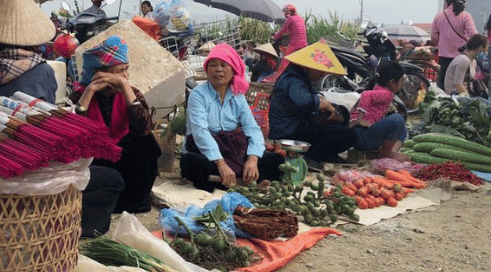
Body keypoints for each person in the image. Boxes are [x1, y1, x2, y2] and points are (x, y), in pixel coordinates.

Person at [0, 0, 123, 237]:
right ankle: (78, 233)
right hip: (26, 168)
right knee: (112, 180)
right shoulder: (42, 71)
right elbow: (45, 122)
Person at [69, 36, 161, 214]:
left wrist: (124, 87)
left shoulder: (132, 93)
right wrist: (89, 92)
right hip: (96, 159)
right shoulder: (79, 95)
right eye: (120, 71)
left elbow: (143, 128)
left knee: (147, 143)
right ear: (100, 73)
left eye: (127, 70)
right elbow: (72, 131)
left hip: (124, 158)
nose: (125, 76)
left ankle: (136, 203)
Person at [181, 44, 284, 192]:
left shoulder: (237, 96)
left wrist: (252, 160)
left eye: (224, 65)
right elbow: (200, 133)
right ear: (207, 70)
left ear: (233, 71)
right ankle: (245, 181)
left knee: (276, 161)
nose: (218, 70)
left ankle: (233, 180)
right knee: (191, 162)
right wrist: (221, 164)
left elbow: (252, 129)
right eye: (213, 65)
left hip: (232, 151)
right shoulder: (198, 95)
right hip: (206, 151)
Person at [268, 41, 357, 167]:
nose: (323, 74)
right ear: (307, 67)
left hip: (300, 128)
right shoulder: (293, 79)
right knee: (350, 135)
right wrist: (327, 106)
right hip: (289, 132)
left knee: (343, 113)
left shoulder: (302, 79)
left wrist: (328, 105)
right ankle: (313, 156)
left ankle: (324, 155)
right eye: (320, 70)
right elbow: (305, 101)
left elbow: (316, 96)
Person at [349, 60, 409, 160]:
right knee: (398, 119)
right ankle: (385, 154)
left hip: (359, 135)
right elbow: (365, 95)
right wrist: (360, 119)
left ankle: (389, 152)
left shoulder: (380, 89)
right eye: (402, 80)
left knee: (402, 129)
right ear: (392, 82)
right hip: (360, 135)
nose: (403, 84)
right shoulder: (386, 94)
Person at [431, 0, 478, 90]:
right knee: (461, 86)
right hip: (462, 59)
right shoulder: (466, 16)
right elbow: (474, 35)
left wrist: (442, 43)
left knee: (444, 86)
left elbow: (434, 38)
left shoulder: (439, 15)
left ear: (448, 1)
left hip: (444, 58)